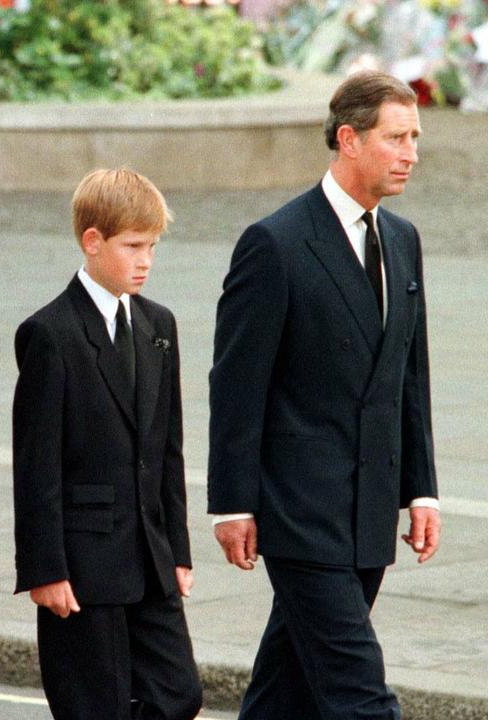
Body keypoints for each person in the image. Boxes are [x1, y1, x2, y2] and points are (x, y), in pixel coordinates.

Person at [208, 70, 440, 719]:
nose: (411, 153)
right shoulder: (275, 243)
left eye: (415, 138)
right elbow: (235, 383)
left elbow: (408, 376)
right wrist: (231, 503)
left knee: (285, 690)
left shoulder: (403, 240)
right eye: (397, 138)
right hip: (298, 514)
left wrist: (420, 488)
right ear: (349, 138)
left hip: (368, 512)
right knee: (357, 691)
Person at [12, 168, 202, 720]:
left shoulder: (158, 324)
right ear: (92, 242)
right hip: (83, 563)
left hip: (149, 557)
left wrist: (179, 553)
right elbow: (36, 464)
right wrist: (45, 568)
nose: (146, 261)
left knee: (179, 693)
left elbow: (169, 451)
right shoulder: (51, 332)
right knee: (94, 705)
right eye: (134, 246)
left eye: (153, 247)